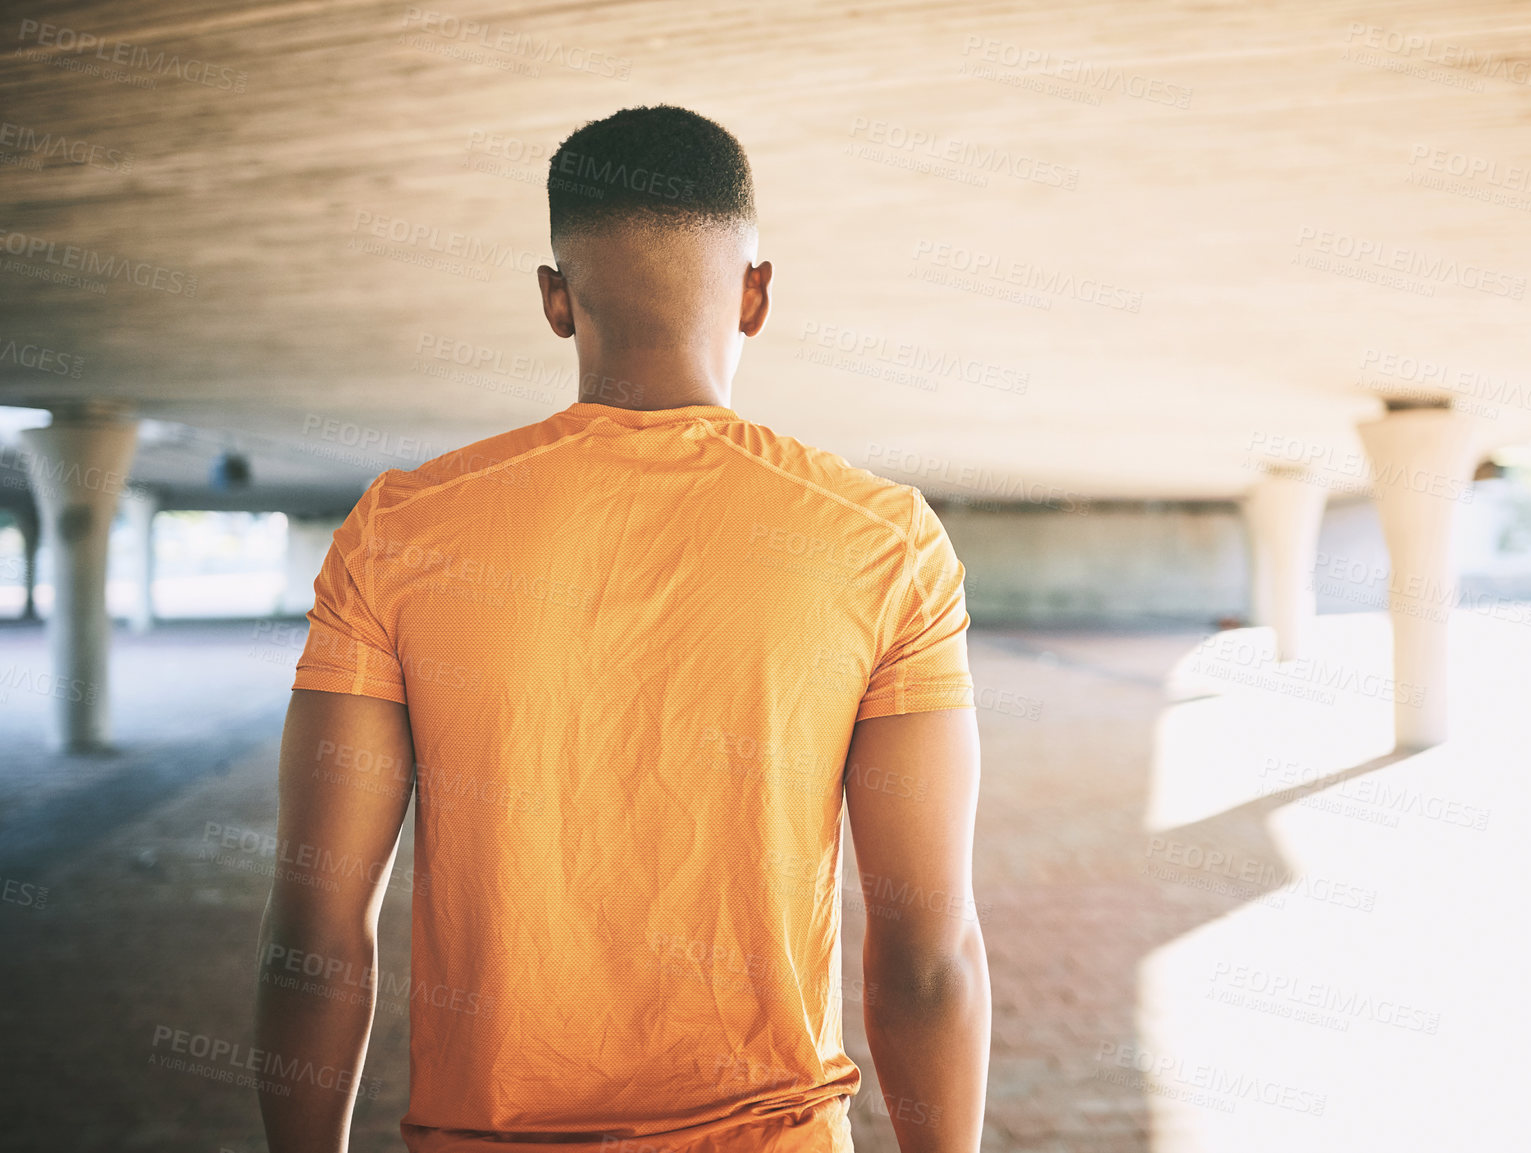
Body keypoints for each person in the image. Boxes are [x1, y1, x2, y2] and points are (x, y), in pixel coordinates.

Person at [254, 104, 990, 1153]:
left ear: (556, 302)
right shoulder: (883, 543)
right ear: (756, 294)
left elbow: (314, 942)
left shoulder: (401, 530)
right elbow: (927, 957)